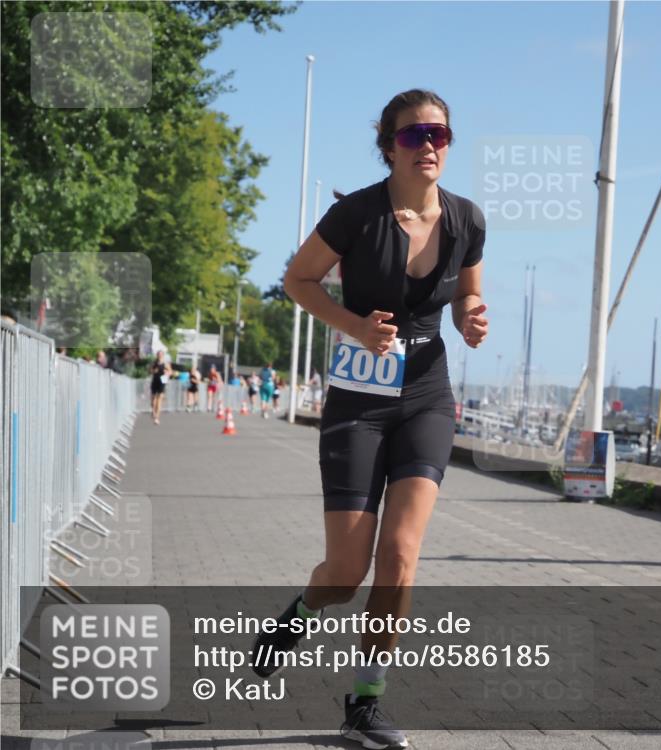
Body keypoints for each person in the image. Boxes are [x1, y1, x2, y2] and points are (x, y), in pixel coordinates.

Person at [252, 89, 487, 749]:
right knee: (345, 572)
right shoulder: (356, 213)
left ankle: (365, 697)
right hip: (359, 402)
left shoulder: (467, 219)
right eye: (415, 135)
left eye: (440, 132)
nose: (431, 144)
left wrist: (472, 318)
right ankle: (296, 616)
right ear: (389, 145)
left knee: (401, 557)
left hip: (426, 397)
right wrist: (354, 325)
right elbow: (298, 281)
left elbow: (470, 292)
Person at [149, 350, 172, 425]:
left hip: (162, 381)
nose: (160, 356)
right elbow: (150, 371)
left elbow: (170, 372)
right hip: (155, 381)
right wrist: (153, 371)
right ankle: (153, 410)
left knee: (159, 399)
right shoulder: (154, 363)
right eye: (158, 354)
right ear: (157, 355)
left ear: (163, 355)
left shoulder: (165, 364)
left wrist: (167, 373)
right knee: (153, 400)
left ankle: (157, 418)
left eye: (161, 354)